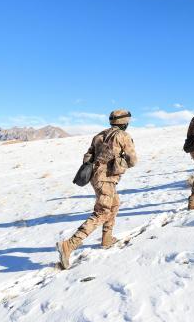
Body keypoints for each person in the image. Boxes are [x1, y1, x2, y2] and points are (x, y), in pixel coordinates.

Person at [57, 110, 137, 269]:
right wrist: (121, 162)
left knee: (114, 205)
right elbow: (133, 160)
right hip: (106, 178)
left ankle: (107, 239)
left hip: (95, 177)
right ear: (125, 123)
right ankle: (69, 245)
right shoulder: (123, 136)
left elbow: (88, 156)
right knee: (102, 212)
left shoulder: (99, 135)